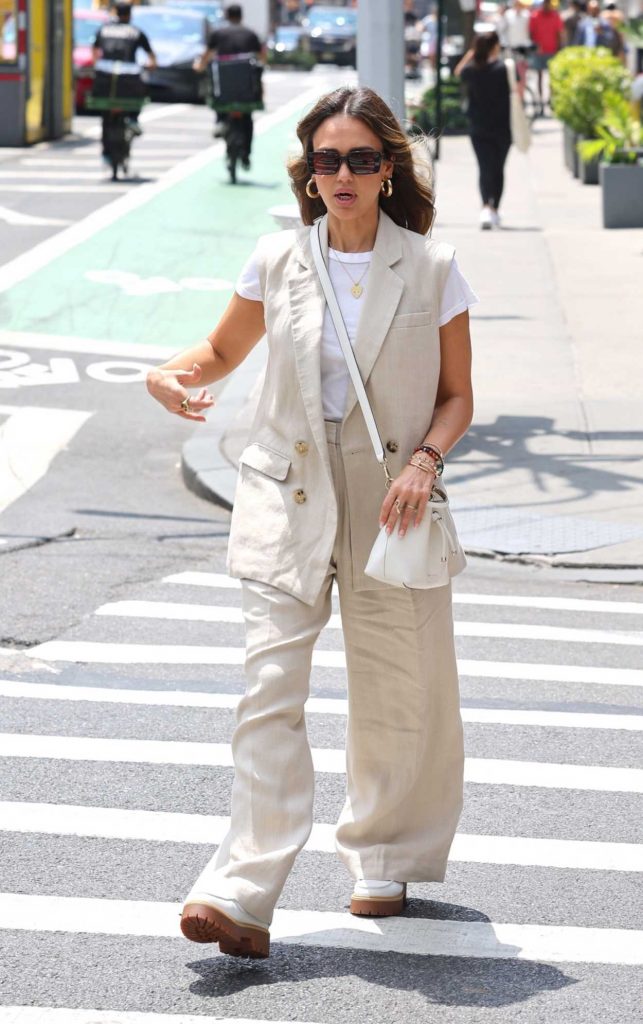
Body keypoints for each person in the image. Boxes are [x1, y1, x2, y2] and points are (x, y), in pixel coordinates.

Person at [146, 85, 475, 960]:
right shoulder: (277, 259)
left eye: (360, 160)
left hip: (390, 494)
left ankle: (386, 852)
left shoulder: (433, 268)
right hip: (282, 488)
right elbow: (218, 354)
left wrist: (423, 462)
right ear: (308, 172)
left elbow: (456, 398)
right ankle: (240, 890)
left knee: (395, 688)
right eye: (326, 160)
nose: (342, 175)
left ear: (387, 169)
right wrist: (168, 375)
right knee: (268, 691)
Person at [456, 31, 511, 230]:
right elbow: (518, 90)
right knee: (498, 168)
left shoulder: (472, 69)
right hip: (503, 126)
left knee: (485, 167)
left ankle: (486, 207)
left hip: (478, 126)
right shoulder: (504, 68)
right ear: (495, 46)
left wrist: (471, 52)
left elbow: (458, 72)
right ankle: (493, 207)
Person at [193, 3, 263, 156]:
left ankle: (219, 121)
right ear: (241, 16)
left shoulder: (218, 33)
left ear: (227, 16)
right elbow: (261, 58)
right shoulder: (250, 34)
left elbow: (207, 55)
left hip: (225, 83)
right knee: (248, 118)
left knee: (217, 95)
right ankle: (246, 154)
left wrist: (200, 66)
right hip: (246, 86)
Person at [92, 0, 156, 137]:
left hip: (105, 73)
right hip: (129, 74)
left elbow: (95, 50)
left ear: (115, 13)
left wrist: (96, 63)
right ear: (129, 15)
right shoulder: (135, 31)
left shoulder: (104, 29)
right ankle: (133, 119)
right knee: (141, 88)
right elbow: (150, 55)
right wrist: (152, 64)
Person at [529, 0, 564, 112]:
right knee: (539, 77)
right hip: (539, 52)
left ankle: (551, 101)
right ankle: (540, 102)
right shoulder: (535, 16)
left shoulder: (555, 15)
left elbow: (559, 33)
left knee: (552, 78)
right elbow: (531, 33)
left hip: (552, 50)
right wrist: (535, 45)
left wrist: (559, 49)